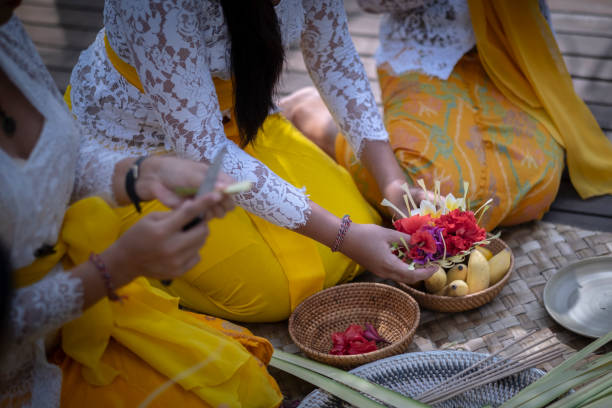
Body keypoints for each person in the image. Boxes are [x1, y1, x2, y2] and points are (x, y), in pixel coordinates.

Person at [67, 0, 436, 323]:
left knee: (363, 224)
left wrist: (394, 185)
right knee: (273, 293)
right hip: (143, 151)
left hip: (242, 123)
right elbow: (204, 150)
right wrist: (345, 236)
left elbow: (333, 56)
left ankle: (300, 113)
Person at [0, 5, 283, 407]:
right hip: (23, 363)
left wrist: (141, 174)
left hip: (83, 312)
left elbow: (56, 156)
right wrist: (117, 266)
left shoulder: (7, 31)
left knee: (245, 383)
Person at [282, 0, 612, 231]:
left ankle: (386, 134)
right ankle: (318, 117)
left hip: (512, 53)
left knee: (535, 189)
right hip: (426, 52)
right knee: (432, 195)